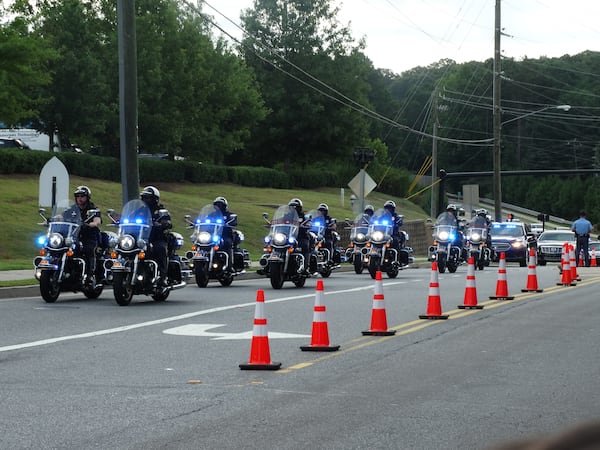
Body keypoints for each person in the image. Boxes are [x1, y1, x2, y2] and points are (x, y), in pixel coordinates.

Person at [68, 186, 101, 286]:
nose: (80, 198)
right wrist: (52, 219)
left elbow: (97, 219)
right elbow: (62, 215)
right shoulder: (73, 209)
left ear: (87, 197)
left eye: (82, 196)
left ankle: (90, 274)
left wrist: (93, 223)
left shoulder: (93, 209)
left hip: (89, 236)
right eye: (77, 196)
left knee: (89, 249)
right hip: (75, 236)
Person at [140, 186, 172, 286]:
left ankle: (163, 277)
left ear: (155, 199)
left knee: (160, 249)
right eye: (144, 197)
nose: (146, 200)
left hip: (156, 238)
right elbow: (130, 217)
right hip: (141, 239)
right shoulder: (140, 210)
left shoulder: (160, 210)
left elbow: (167, 220)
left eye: (148, 197)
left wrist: (165, 223)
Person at [288, 198, 313, 273]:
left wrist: (307, 225)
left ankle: (305, 266)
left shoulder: (303, 217)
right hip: (288, 237)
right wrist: (272, 224)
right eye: (292, 207)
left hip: (300, 237)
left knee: (304, 245)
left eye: (296, 207)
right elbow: (279, 222)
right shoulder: (286, 216)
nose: (294, 209)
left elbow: (309, 223)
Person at [213, 196, 237, 269]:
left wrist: (231, 222)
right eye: (217, 205)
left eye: (220, 205)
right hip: (212, 236)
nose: (219, 206)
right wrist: (195, 223)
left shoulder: (228, 215)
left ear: (224, 206)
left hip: (225, 235)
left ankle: (229, 266)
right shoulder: (212, 215)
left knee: (227, 243)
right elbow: (203, 220)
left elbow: (234, 222)